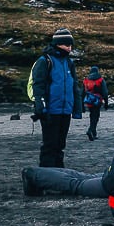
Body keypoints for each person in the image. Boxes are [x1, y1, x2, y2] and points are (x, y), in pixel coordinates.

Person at [31, 28, 82, 168]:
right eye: (66, 45)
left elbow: (74, 86)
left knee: (60, 144)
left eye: (70, 45)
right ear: (58, 44)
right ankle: (46, 175)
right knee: (49, 144)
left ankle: (59, 173)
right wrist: (41, 106)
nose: (69, 48)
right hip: (50, 110)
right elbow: (38, 85)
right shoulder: (45, 61)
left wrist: (77, 108)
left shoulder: (69, 63)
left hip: (65, 110)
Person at [82, 66, 109, 141]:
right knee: (96, 116)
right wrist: (106, 103)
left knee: (92, 115)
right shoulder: (100, 80)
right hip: (97, 100)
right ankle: (91, 130)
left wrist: (82, 105)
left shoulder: (86, 80)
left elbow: (82, 93)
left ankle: (93, 132)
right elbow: (105, 92)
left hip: (89, 100)